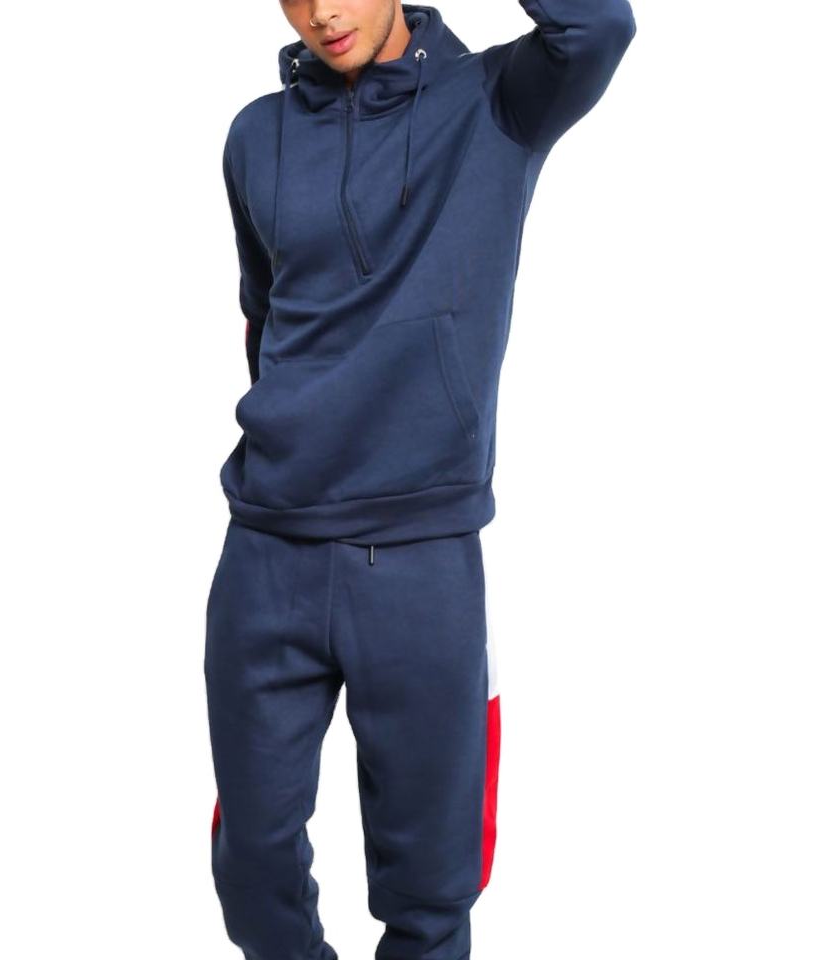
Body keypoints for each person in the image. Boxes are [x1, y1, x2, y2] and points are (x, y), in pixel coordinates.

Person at [205, 2, 636, 956]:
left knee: (433, 888)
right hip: (267, 550)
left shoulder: (496, 101)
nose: (322, 12)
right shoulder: (255, 136)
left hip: (421, 560)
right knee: (253, 867)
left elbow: (599, 26)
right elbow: (266, 316)